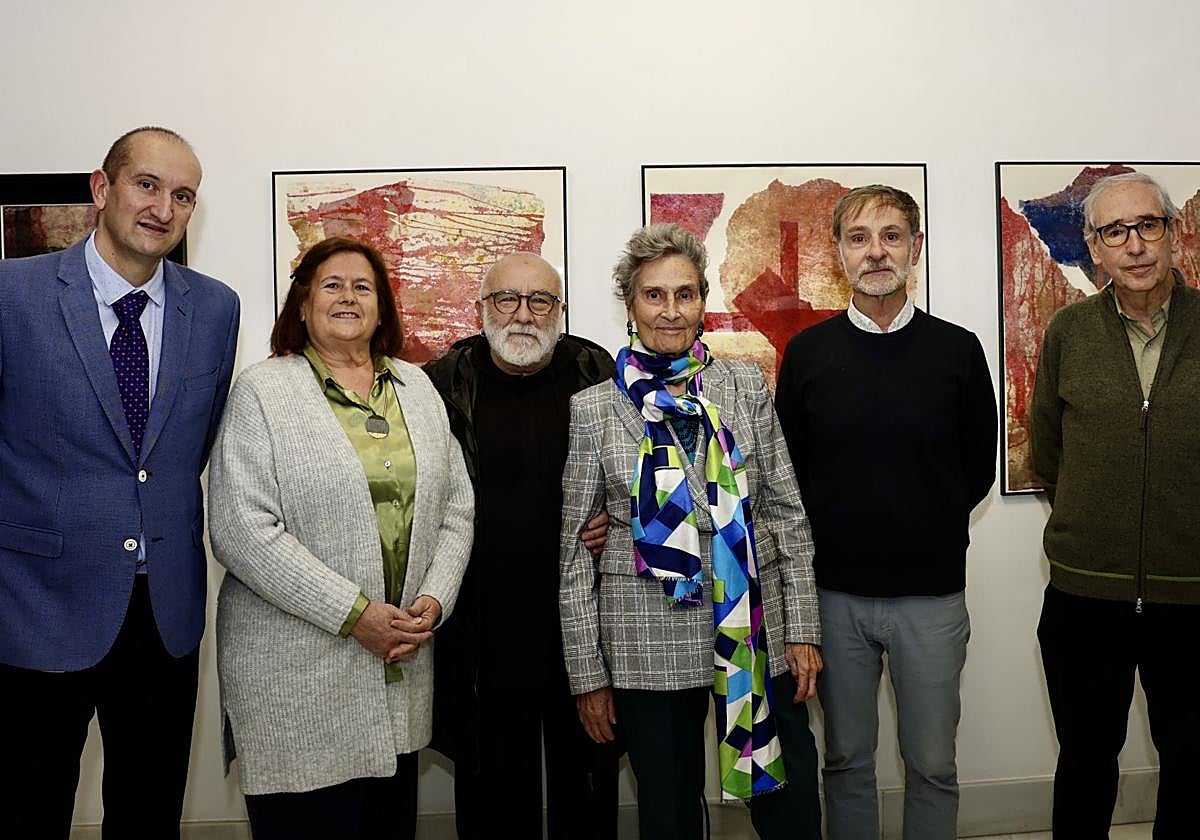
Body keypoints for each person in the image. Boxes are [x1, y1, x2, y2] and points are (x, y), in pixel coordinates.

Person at [0, 126, 240, 838]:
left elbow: (189, 446)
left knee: (149, 814)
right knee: (26, 812)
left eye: (183, 195)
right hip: (34, 607)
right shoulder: (14, 295)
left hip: (162, 613)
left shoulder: (216, 307)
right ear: (101, 189)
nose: (163, 207)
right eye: (147, 185)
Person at [559, 223, 823, 840]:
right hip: (643, 633)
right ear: (630, 304)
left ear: (702, 300)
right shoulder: (593, 409)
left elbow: (785, 510)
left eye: (684, 294)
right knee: (669, 813)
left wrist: (805, 627)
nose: (670, 311)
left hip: (757, 624)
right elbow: (572, 555)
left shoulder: (744, 387)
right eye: (654, 295)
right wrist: (587, 673)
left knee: (790, 801)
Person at [207, 236, 473, 840]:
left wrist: (435, 598)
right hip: (294, 676)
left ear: (382, 307)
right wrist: (355, 615)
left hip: (400, 665)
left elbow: (458, 506)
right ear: (302, 304)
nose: (348, 297)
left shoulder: (417, 387)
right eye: (332, 285)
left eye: (363, 286)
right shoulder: (262, 391)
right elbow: (242, 529)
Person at [774, 184, 997, 840]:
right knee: (845, 760)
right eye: (860, 237)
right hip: (833, 599)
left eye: (892, 235)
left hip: (930, 600)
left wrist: (916, 524)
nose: (877, 251)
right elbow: (789, 476)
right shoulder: (809, 355)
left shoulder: (957, 350)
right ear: (839, 253)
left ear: (916, 248)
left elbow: (977, 469)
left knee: (931, 764)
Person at [424, 252, 621, 839]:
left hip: (582, 632)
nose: (523, 315)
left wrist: (620, 513)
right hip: (482, 633)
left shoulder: (598, 371)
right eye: (506, 299)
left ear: (559, 309)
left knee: (586, 796)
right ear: (481, 308)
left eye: (540, 301)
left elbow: (637, 472)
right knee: (491, 804)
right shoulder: (442, 384)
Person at [1031, 171, 1200, 838]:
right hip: (1084, 597)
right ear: (1094, 250)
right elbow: (1048, 453)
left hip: (1192, 596)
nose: (1134, 245)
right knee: (1085, 763)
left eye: (1147, 225)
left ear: (1173, 235)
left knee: (1192, 766)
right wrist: (1094, 521)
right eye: (1114, 231)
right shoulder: (1067, 332)